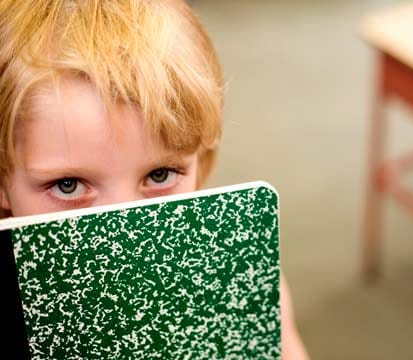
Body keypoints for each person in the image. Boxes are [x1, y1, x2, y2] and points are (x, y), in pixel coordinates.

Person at [0, 0, 309, 358]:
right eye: (68, 185)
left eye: (159, 174)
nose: (122, 235)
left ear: (200, 159)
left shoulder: (238, 276)